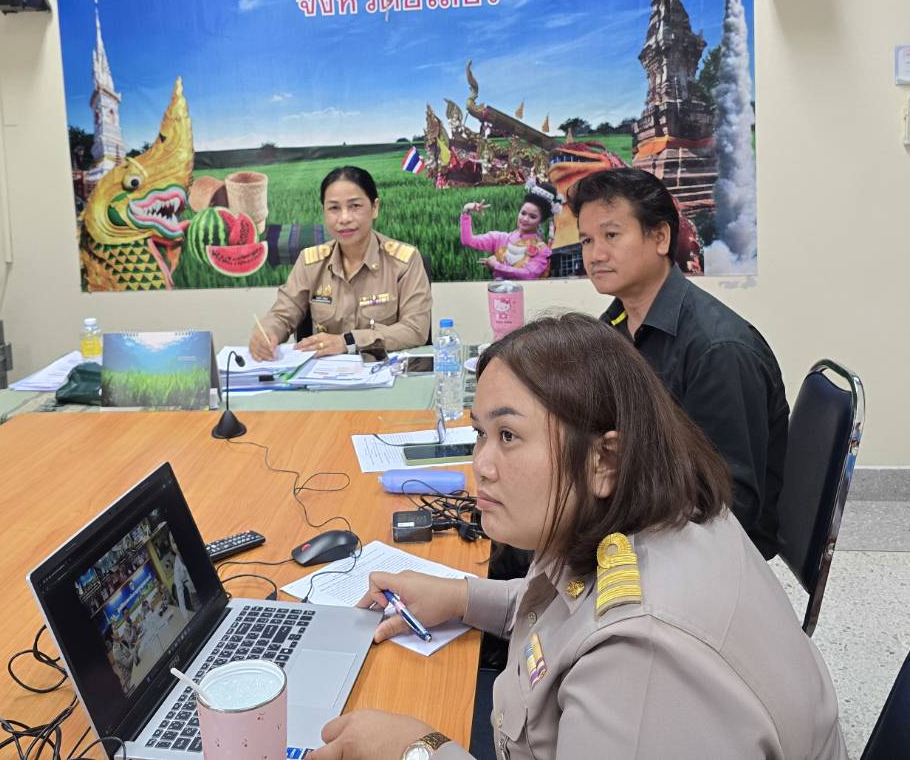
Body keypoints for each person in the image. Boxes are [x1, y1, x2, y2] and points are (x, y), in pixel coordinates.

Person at [310, 315, 844, 760]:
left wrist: (417, 749)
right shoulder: (641, 510)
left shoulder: (641, 661)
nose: (481, 465)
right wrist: (461, 597)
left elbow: (602, 630)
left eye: (509, 436)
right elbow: (568, 605)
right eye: (480, 434)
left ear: (604, 458)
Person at [569, 167, 789, 559]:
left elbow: (732, 505)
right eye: (587, 240)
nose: (595, 254)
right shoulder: (614, 328)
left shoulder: (718, 350)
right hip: (643, 511)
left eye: (611, 235)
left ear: (660, 237)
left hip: (702, 551)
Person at [250, 166, 431, 359]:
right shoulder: (310, 262)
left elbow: (414, 329)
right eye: (334, 208)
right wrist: (267, 333)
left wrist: (348, 341)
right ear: (324, 212)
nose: (344, 218)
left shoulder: (404, 261)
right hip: (324, 379)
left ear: (374, 207)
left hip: (387, 375)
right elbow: (282, 315)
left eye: (355, 206)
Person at [458, 192, 553, 280]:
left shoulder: (542, 249)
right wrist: (466, 211)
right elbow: (468, 241)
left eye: (532, 217)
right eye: (523, 213)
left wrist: (496, 266)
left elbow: (529, 274)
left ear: (540, 221)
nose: (525, 219)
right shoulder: (500, 238)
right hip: (498, 294)